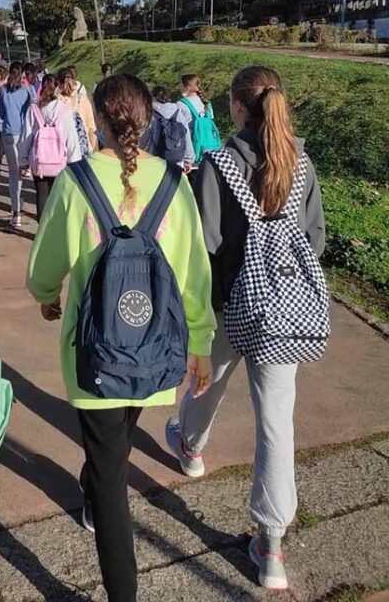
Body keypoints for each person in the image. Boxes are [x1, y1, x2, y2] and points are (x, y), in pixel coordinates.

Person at [26, 76, 215, 602]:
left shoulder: (75, 181)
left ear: (99, 125)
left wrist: (46, 295)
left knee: (111, 477)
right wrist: (199, 342)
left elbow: (45, 264)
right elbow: (195, 274)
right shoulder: (175, 186)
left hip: (95, 360)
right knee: (115, 444)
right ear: (149, 122)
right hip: (155, 356)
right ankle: (94, 489)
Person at [168, 66, 326, 592]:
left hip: (230, 303)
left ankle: (190, 448)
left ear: (236, 107)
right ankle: (273, 548)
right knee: (277, 426)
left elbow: (206, 244)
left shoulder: (218, 165)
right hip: (286, 312)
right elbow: (315, 239)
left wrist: (206, 305)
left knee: (208, 383)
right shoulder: (300, 161)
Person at [18, 75, 80, 220]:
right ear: (58, 88)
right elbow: (71, 138)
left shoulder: (34, 109)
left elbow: (26, 136)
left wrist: (23, 160)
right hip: (59, 162)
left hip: (39, 161)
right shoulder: (64, 110)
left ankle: (41, 230)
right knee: (56, 197)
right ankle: (54, 228)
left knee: (41, 196)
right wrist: (74, 162)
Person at [0, 62, 32, 228]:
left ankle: (15, 210)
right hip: (21, 133)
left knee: (12, 173)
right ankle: (17, 205)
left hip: (7, 133)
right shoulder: (25, 91)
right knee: (19, 172)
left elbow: (2, 113)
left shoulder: (3, 90)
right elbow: (28, 114)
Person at [143, 86, 195, 170]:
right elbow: (186, 135)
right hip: (177, 157)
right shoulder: (177, 111)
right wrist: (188, 160)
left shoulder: (149, 113)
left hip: (155, 159)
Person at [176, 74, 221, 164]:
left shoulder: (181, 104)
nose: (179, 86)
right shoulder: (206, 103)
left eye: (180, 84)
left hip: (192, 152)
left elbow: (178, 128)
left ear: (187, 87)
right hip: (212, 151)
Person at [57, 68, 97, 154]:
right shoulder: (82, 98)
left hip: (64, 149)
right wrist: (91, 146)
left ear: (58, 83)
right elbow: (91, 125)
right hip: (83, 147)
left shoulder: (56, 101)